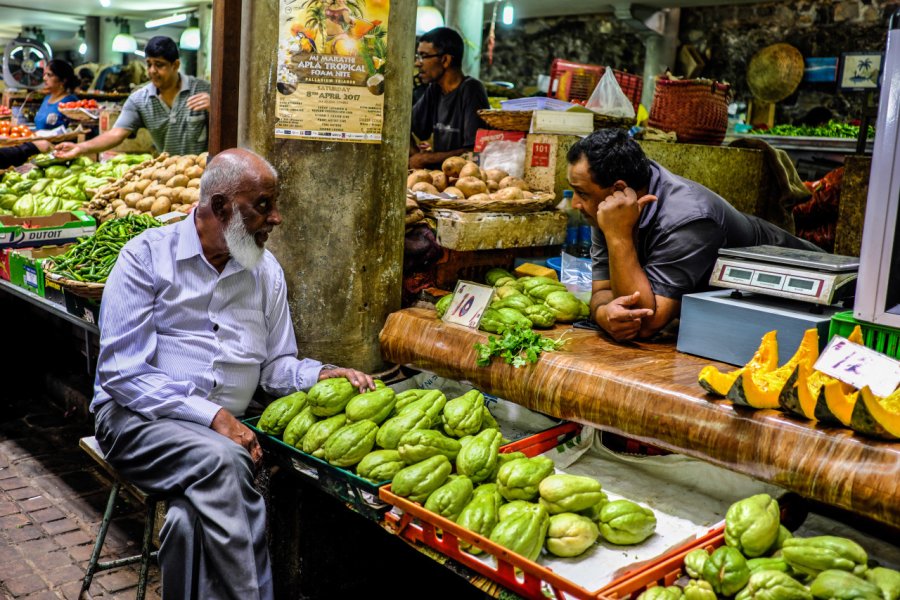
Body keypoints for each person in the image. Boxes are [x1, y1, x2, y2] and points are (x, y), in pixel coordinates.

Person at [91, 148, 375, 599]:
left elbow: (275, 364)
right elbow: (123, 375)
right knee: (224, 461)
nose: (276, 218)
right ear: (221, 206)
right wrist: (213, 417)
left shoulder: (265, 273)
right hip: (137, 421)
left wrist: (318, 375)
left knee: (188, 520)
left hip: (218, 437)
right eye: (263, 205)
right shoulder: (145, 257)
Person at [567, 128, 822, 342]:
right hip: (727, 318)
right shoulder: (609, 207)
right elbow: (602, 290)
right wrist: (603, 314)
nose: (575, 204)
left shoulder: (688, 218)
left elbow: (644, 323)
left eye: (583, 193)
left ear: (619, 188)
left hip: (813, 287)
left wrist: (619, 237)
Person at [55, 36, 210, 159]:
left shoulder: (203, 90)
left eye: (159, 65)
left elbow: (232, 126)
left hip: (207, 173)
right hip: (170, 176)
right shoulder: (139, 99)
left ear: (175, 65)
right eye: (149, 64)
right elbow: (116, 134)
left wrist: (215, 107)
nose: (152, 71)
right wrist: (80, 148)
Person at [409, 27, 490, 170]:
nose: (417, 63)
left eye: (424, 56)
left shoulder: (471, 90)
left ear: (445, 60)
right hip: (438, 178)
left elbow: (474, 151)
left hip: (464, 177)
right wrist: (416, 156)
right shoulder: (434, 90)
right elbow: (405, 126)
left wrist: (425, 159)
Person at [35, 59, 79, 131]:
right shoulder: (47, 99)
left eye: (49, 75)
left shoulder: (70, 102)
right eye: (44, 74)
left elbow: (73, 130)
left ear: (63, 80)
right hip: (38, 140)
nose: (44, 78)